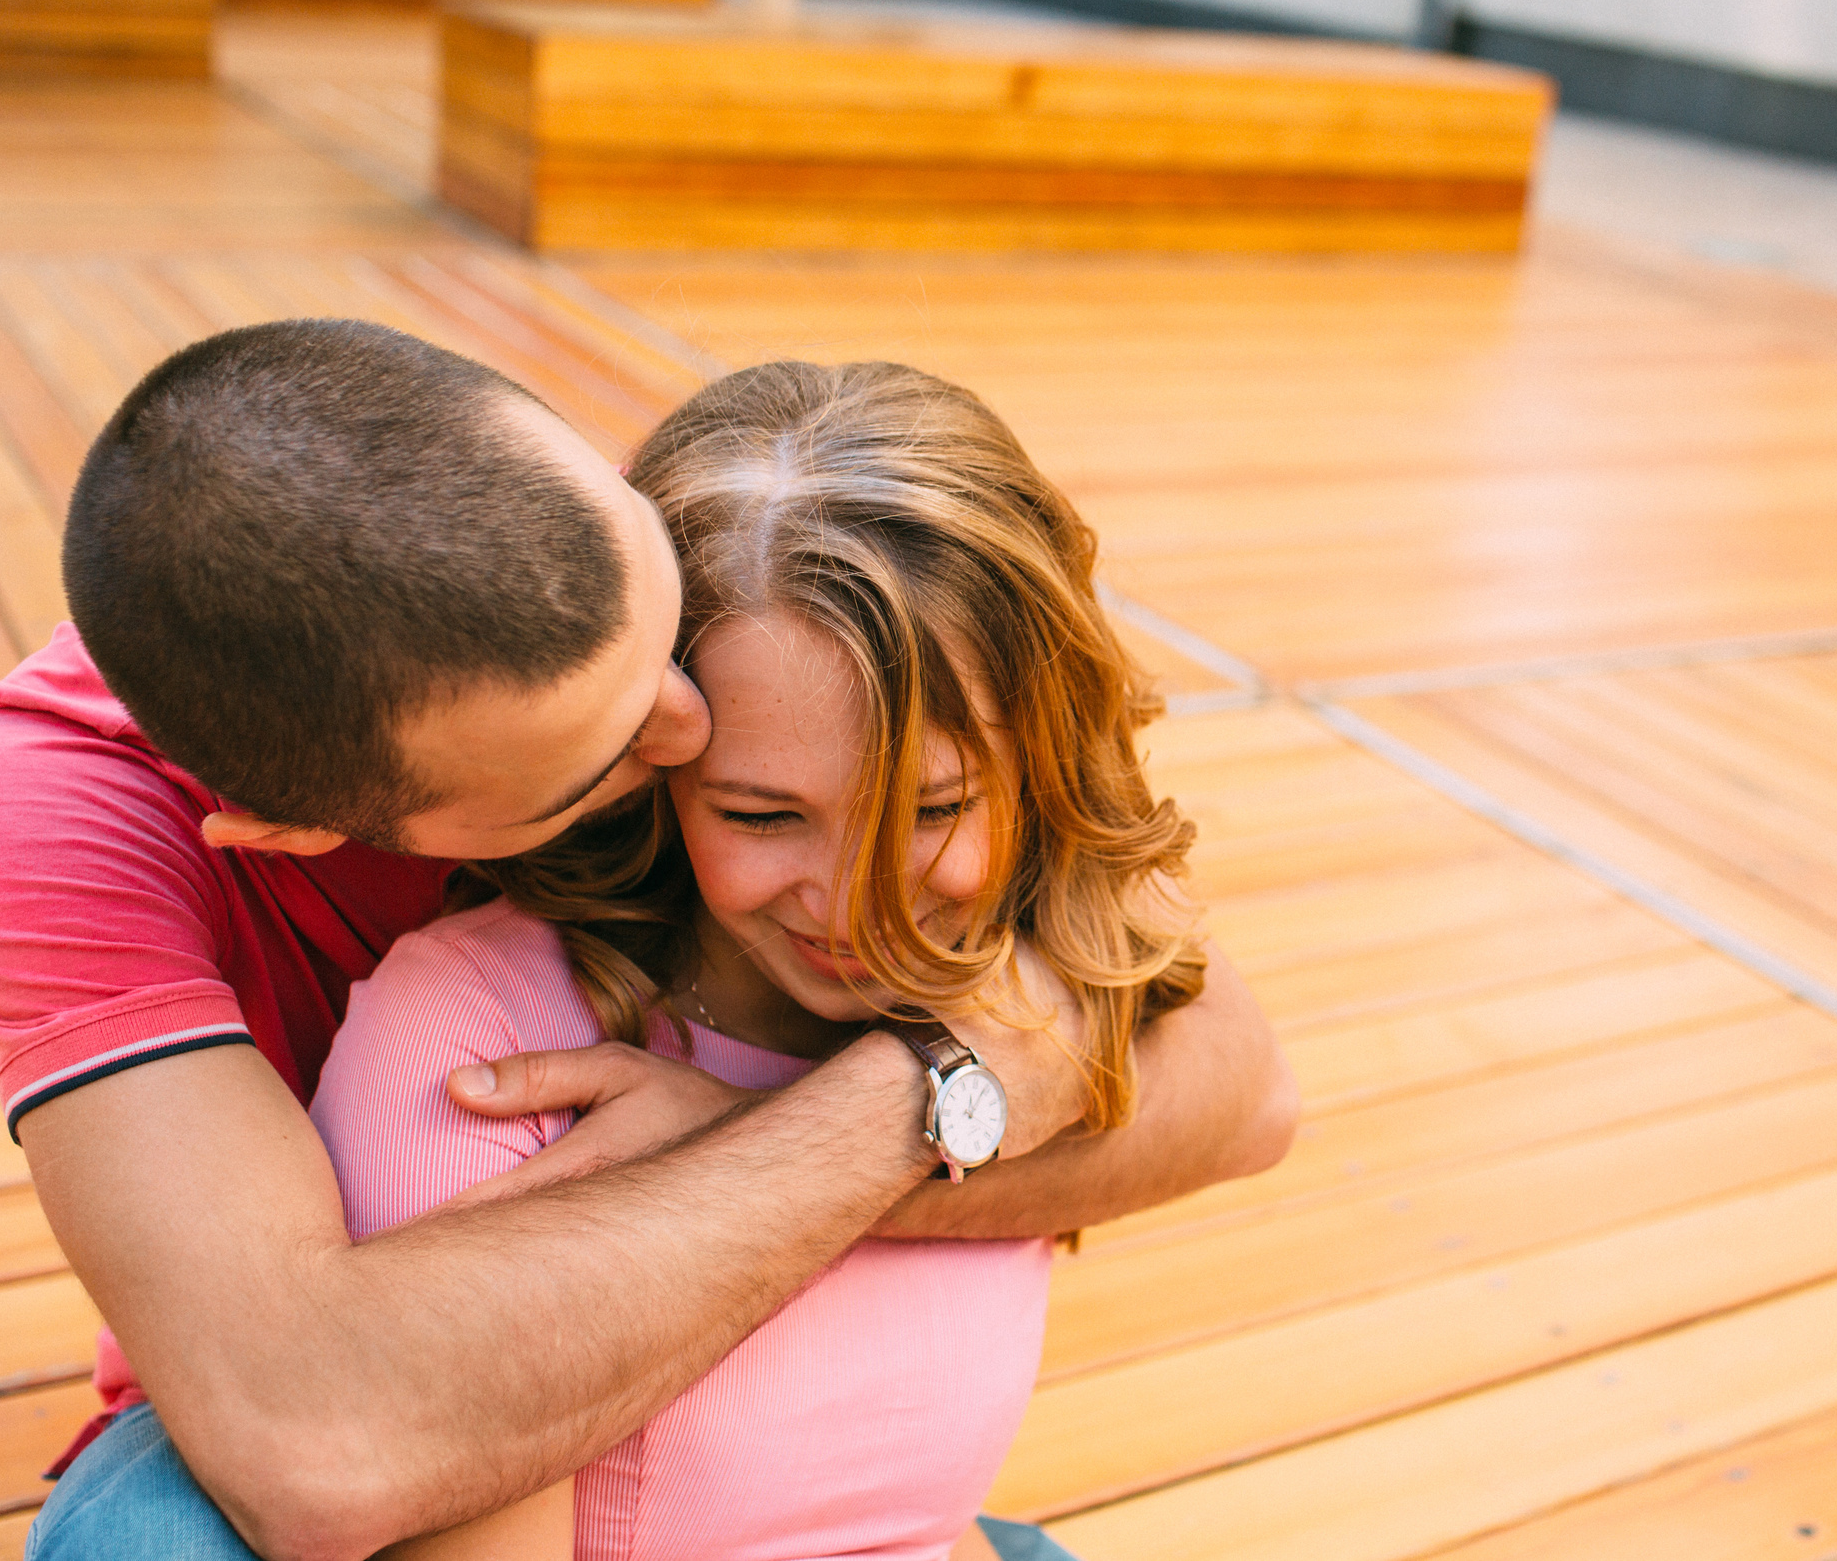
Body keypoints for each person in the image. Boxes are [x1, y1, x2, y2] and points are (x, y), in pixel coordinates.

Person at [0, 321, 1299, 1561]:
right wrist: (913, 1097)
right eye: (624, 756)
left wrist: (800, 1119)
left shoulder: (610, 571)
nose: (689, 721)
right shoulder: (60, 806)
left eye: (660, 622)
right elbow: (315, 1434)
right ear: (311, 828)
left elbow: (1232, 1079)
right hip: (326, 1381)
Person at [314, 360, 1216, 1560]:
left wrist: (751, 1122)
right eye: (760, 814)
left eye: (933, 807)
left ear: (1040, 760)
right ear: (651, 760)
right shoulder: (476, 1036)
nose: (861, 909)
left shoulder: (1027, 981)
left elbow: (1256, 1096)